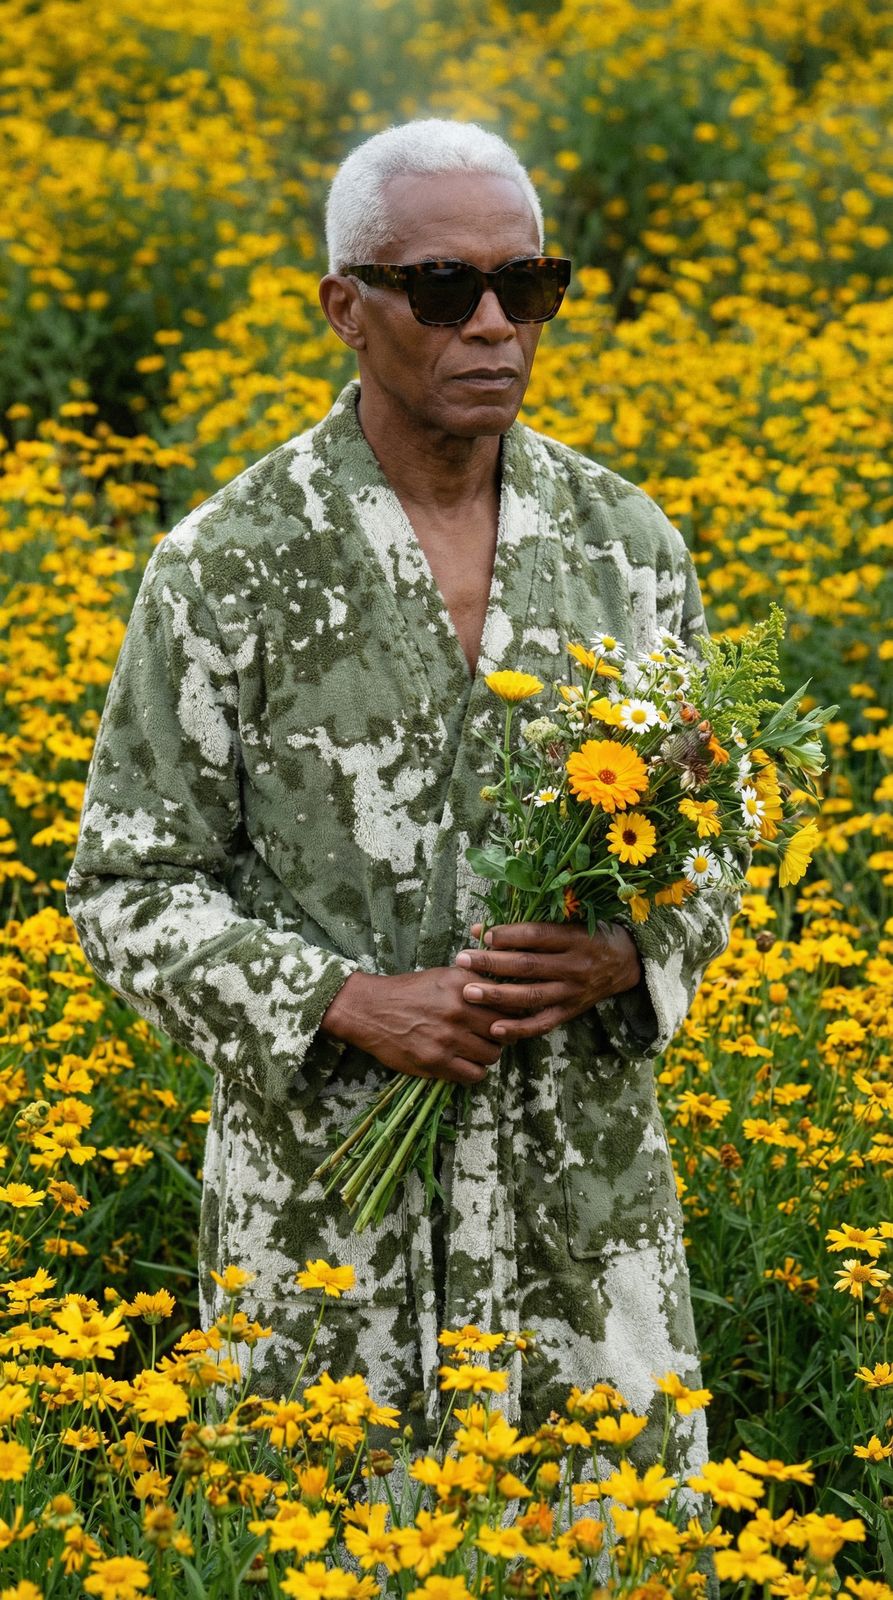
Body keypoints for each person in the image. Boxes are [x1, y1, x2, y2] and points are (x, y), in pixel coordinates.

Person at [66, 119, 739, 1480]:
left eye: (527, 287)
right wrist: (339, 1001)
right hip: (327, 1251)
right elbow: (124, 889)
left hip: (582, 1228)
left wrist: (625, 953)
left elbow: (717, 828)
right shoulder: (227, 568)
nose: (493, 325)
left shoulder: (628, 545)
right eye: (443, 289)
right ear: (346, 309)